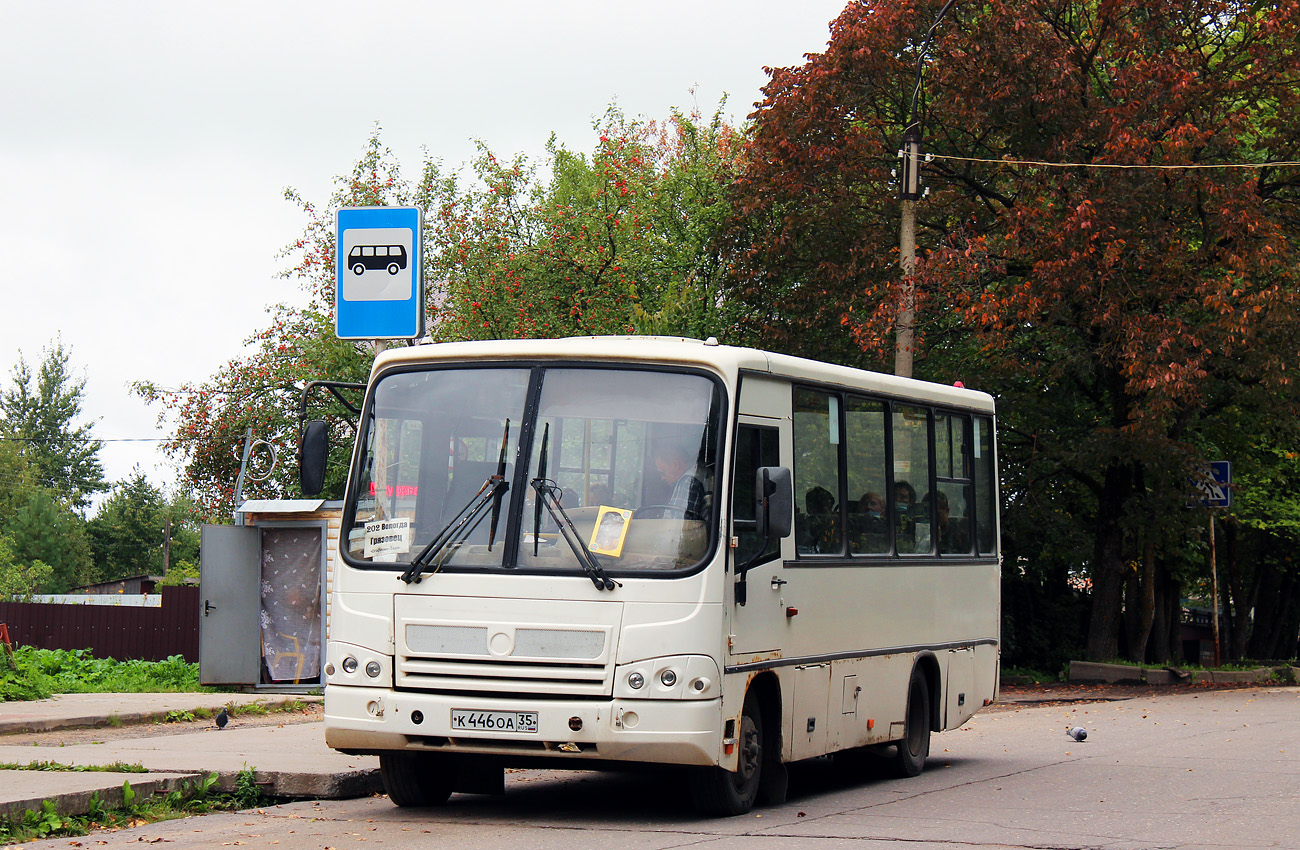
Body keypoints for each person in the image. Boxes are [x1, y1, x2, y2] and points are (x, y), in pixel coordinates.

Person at [654, 443, 708, 520]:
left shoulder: (687, 481)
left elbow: (679, 522)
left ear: (675, 464)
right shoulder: (698, 475)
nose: (662, 478)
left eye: (663, 472)